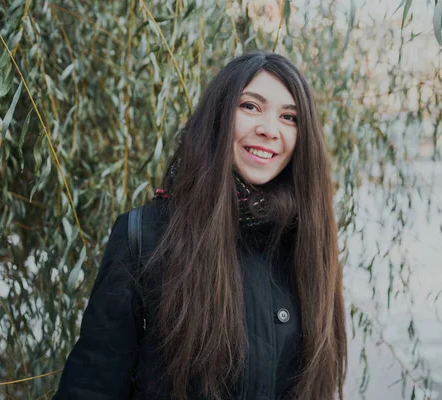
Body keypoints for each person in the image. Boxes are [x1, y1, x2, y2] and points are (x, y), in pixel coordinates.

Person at [52, 51, 347, 400]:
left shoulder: (306, 240)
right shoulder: (146, 237)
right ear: (218, 116)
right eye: (250, 106)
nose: (269, 130)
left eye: (289, 117)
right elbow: (91, 387)